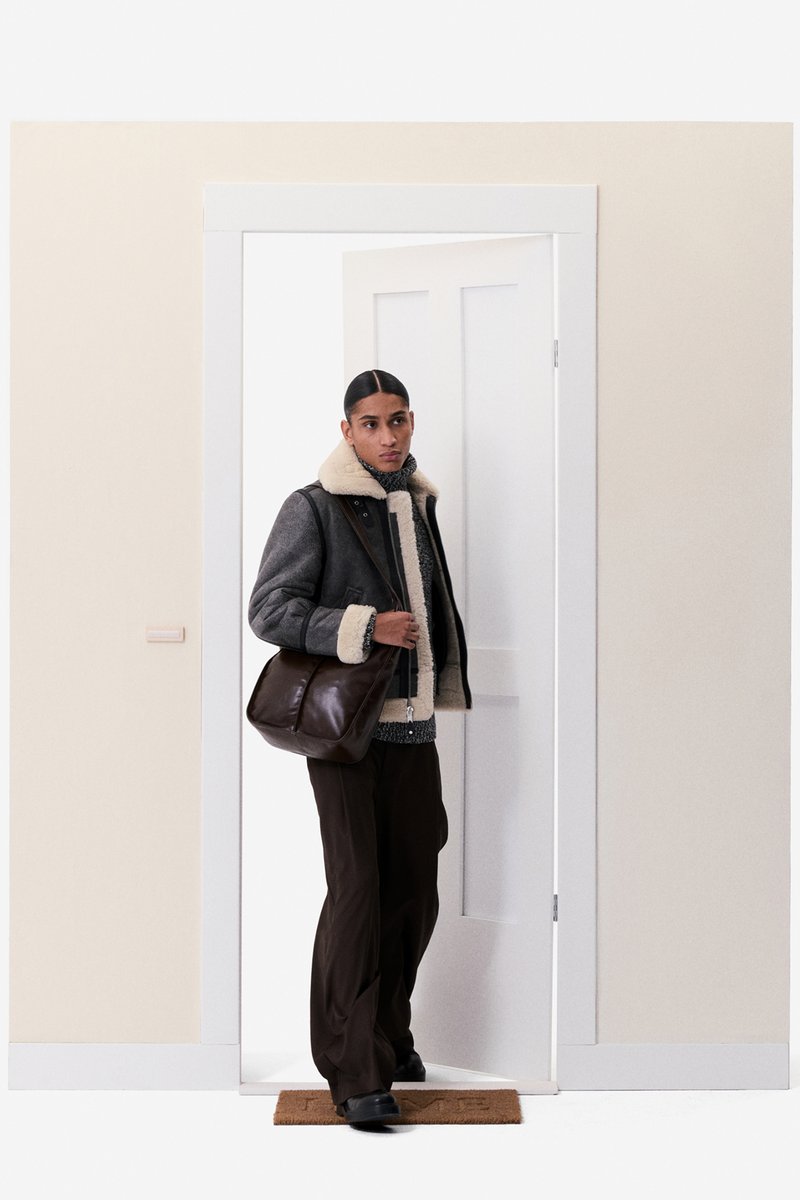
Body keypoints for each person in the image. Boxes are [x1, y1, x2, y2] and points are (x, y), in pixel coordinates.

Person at [247, 368, 471, 1126]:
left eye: (399, 420)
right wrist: (362, 625)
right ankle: (355, 1071)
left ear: (412, 424)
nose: (387, 435)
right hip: (348, 736)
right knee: (358, 896)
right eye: (371, 423)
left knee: (415, 890)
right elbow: (269, 609)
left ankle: (388, 1035)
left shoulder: (419, 503)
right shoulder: (312, 508)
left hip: (414, 726)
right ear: (347, 430)